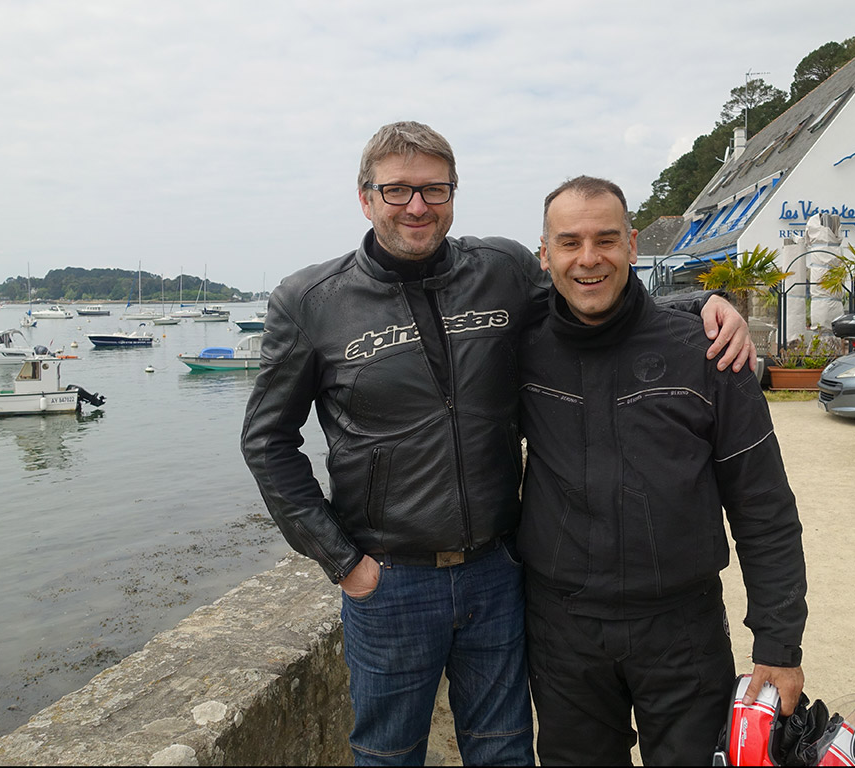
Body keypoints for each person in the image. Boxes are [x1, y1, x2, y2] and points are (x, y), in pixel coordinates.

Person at [240, 122, 755, 766]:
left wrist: (701, 303)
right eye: (397, 190)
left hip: (496, 572)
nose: (417, 206)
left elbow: (591, 296)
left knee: (504, 750)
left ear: (454, 194)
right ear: (365, 199)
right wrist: (342, 561)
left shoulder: (503, 270)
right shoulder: (310, 302)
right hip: (390, 579)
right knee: (387, 752)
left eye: (434, 189)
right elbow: (267, 442)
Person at [518, 175, 808, 766]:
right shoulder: (519, 350)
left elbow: (764, 509)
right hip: (562, 629)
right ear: (544, 255)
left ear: (631, 244)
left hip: (682, 629)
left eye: (606, 239)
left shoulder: (707, 353)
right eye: (569, 243)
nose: (588, 258)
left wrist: (779, 645)